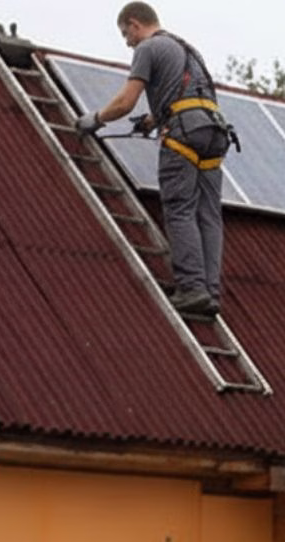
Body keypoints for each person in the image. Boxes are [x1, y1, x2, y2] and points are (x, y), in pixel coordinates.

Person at [75, 2, 232, 318]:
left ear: (135, 24)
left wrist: (95, 119)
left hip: (184, 135)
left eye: (125, 34)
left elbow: (125, 102)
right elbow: (188, 95)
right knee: (209, 215)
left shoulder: (148, 48)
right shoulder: (186, 48)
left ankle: (191, 289)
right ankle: (210, 291)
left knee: (180, 208)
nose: (127, 42)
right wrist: (154, 118)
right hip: (214, 133)